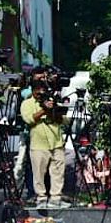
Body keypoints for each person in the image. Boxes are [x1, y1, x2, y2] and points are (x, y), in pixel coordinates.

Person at [20, 81, 67, 209]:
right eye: (38, 90)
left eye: (43, 90)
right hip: (38, 144)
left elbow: (63, 119)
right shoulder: (27, 103)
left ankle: (56, 198)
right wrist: (44, 110)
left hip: (56, 142)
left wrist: (54, 110)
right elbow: (29, 119)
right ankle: (41, 198)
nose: (41, 93)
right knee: (39, 173)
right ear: (33, 91)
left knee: (58, 171)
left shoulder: (52, 101)